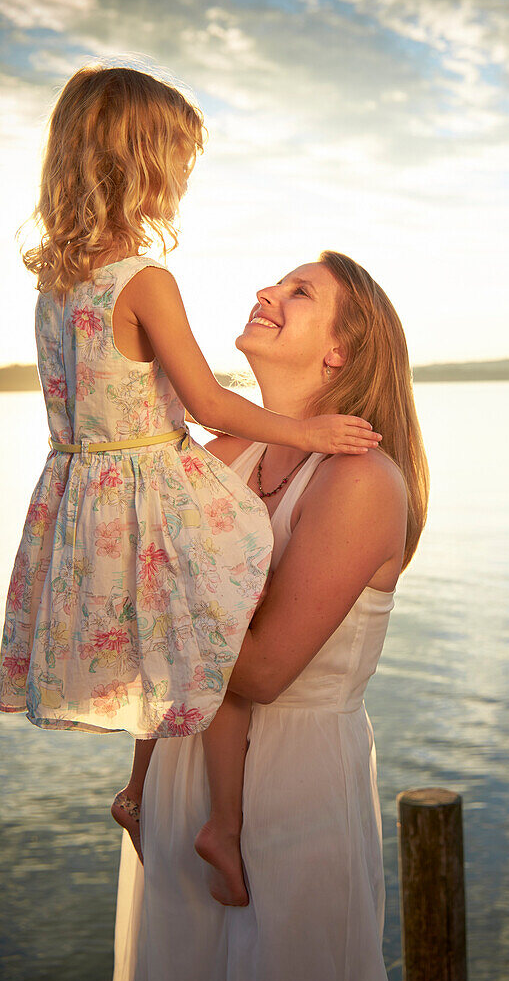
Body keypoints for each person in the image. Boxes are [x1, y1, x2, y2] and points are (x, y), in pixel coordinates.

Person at [0, 67, 380, 909]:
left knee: (159, 640)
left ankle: (138, 789)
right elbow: (207, 402)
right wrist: (310, 433)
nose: (183, 180)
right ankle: (223, 820)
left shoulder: (55, 284)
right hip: (150, 478)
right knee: (226, 611)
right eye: (179, 160)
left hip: (81, 493)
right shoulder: (143, 279)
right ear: (142, 163)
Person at [113, 250, 429, 981]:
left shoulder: (360, 481)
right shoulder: (216, 455)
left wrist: (150, 585)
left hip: (294, 785)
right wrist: (139, 785)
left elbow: (258, 672)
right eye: (274, 282)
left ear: (339, 351)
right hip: (177, 774)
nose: (265, 292)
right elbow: (158, 648)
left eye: (299, 292)